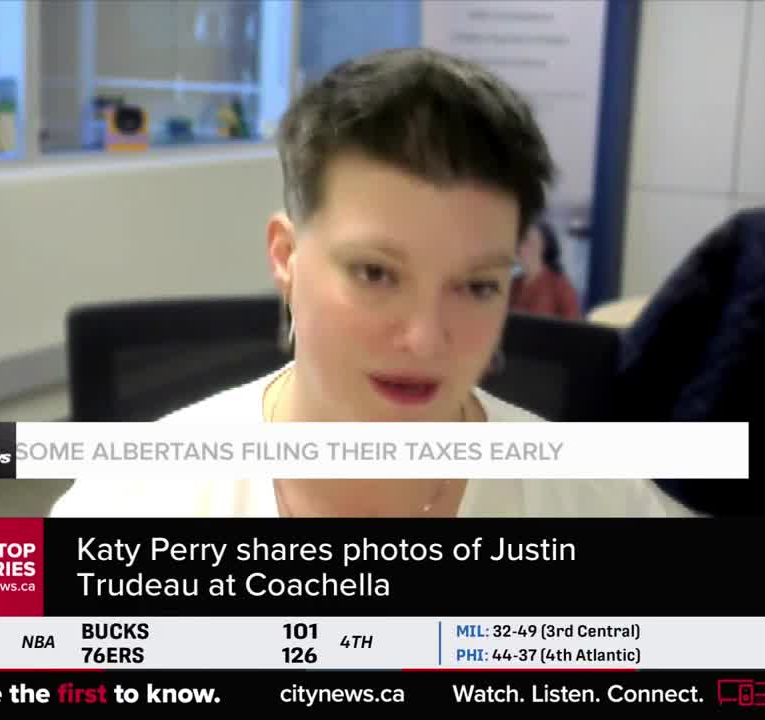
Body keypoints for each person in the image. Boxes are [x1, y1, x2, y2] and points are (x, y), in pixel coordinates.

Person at [50, 48, 698, 518]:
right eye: (375, 273)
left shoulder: (601, 504)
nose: (424, 339)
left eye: (476, 286)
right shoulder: (133, 503)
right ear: (286, 255)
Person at [510, 221, 581, 320]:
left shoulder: (559, 285)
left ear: (543, 247)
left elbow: (575, 327)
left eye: (527, 240)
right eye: (518, 240)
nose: (519, 246)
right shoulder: (513, 284)